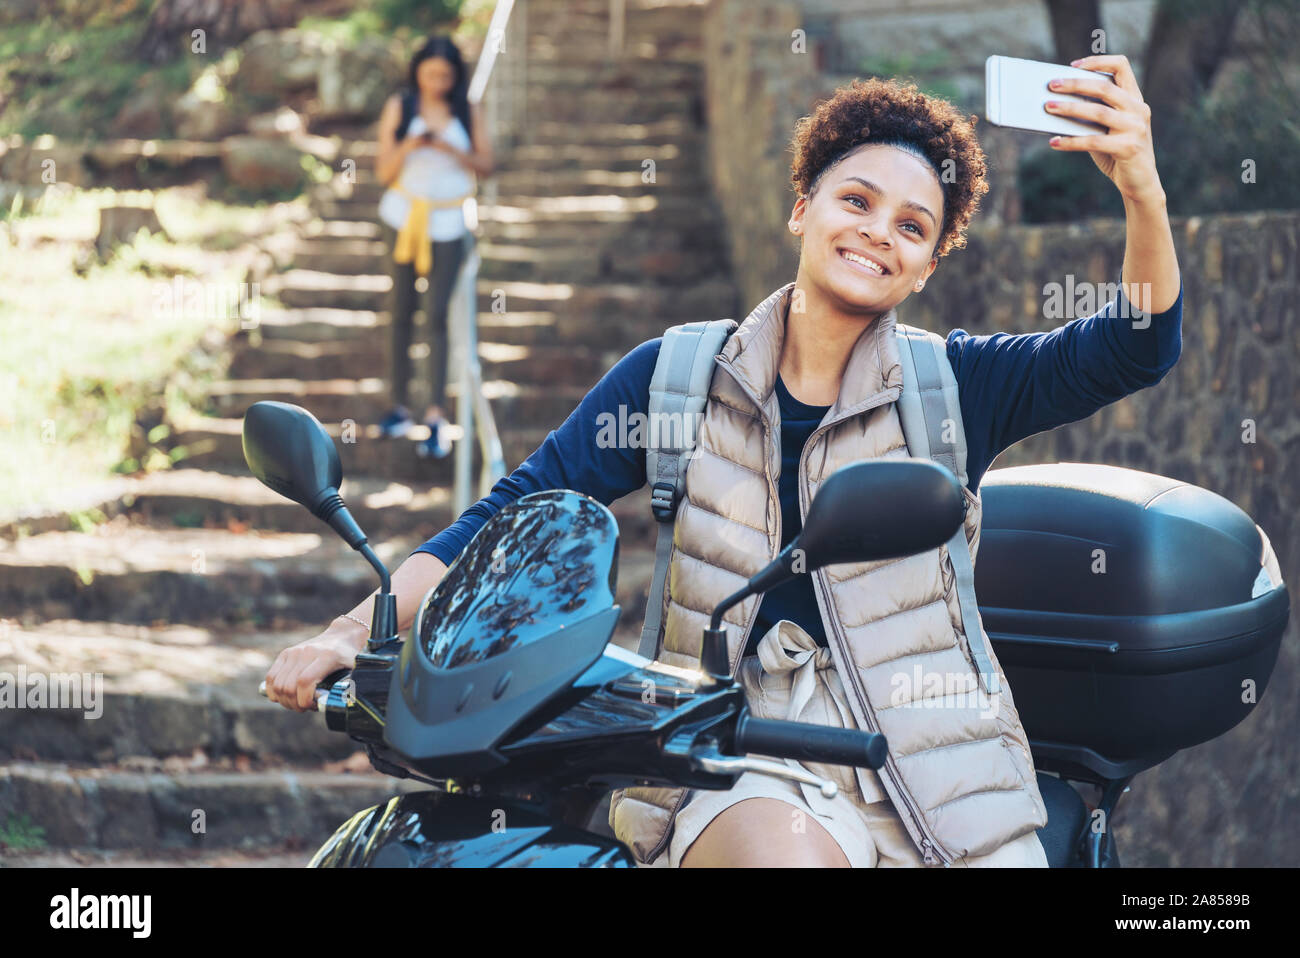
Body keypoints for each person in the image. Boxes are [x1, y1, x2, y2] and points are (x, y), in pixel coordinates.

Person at [266, 61, 1182, 868]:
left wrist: (1142, 191)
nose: (876, 233)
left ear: (926, 268)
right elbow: (510, 518)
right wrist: (354, 630)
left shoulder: (956, 388)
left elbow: (1133, 347)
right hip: (744, 756)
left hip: (938, 772)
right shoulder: (673, 382)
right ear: (802, 209)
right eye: (855, 200)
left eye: (912, 227)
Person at [374, 35, 495, 457]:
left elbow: (486, 164)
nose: (437, 83)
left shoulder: (467, 109)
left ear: (455, 76)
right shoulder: (401, 106)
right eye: (430, 74)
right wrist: (413, 143)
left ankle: (435, 413)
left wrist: (446, 147)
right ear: (418, 71)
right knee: (401, 311)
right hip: (402, 217)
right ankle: (397, 406)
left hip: (450, 220)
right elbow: (383, 170)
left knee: (438, 315)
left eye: (445, 75)